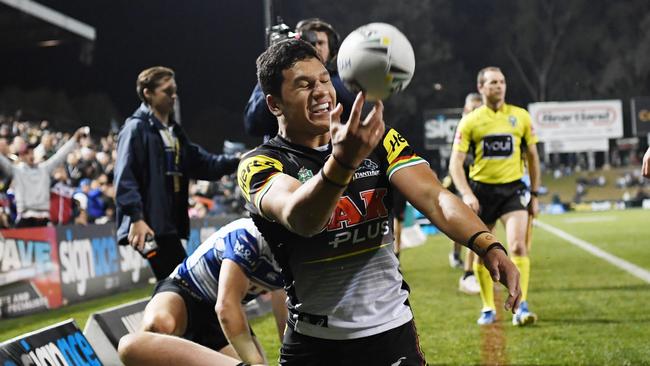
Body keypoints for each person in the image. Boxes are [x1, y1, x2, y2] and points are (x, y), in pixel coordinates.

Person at [237, 39, 522, 364]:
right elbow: (301, 218)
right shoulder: (259, 163)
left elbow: (435, 198)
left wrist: (487, 244)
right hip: (314, 344)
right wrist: (342, 163)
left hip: (391, 335)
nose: (320, 92)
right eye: (303, 85)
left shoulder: (379, 139)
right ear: (274, 105)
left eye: (324, 80)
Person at [114, 66, 240, 280]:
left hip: (168, 224)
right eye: (167, 90)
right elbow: (125, 177)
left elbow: (203, 164)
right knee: (180, 285)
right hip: (150, 226)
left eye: (175, 90)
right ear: (148, 93)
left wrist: (238, 161)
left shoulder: (174, 132)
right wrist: (136, 218)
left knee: (174, 286)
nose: (174, 95)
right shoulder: (136, 128)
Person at [117, 218, 287, 365]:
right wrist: (254, 362)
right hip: (185, 290)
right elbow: (226, 307)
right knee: (157, 324)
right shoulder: (249, 235)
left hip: (217, 318)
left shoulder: (298, 258)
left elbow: (284, 316)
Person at [449, 66, 541, 326]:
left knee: (518, 246)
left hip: (513, 191)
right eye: (492, 82)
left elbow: (533, 158)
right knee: (483, 253)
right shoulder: (470, 121)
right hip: (482, 194)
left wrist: (534, 194)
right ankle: (488, 307)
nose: (498, 86)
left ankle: (521, 306)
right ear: (481, 87)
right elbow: (455, 163)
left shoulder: (521, 117)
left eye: (501, 81)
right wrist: (467, 193)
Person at [243, 18, 357, 140]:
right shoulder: (278, 78)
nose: (314, 48)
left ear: (331, 49)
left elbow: (351, 101)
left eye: (320, 43)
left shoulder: (341, 80)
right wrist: (275, 67)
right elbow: (253, 124)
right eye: (308, 42)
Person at [0, 127, 87, 227]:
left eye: (32, 152)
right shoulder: (17, 171)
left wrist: (75, 139)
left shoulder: (44, 169)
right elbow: (2, 162)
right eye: (27, 153)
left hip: (44, 219)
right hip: (26, 217)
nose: (31, 155)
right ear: (21, 156)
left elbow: (60, 155)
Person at [454, 92, 483, 294]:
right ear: (466, 109)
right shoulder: (464, 126)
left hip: (479, 182)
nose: (476, 112)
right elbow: (457, 161)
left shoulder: (485, 126)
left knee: (477, 227)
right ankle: (467, 273)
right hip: (464, 182)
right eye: (473, 108)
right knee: (467, 227)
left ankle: (471, 271)